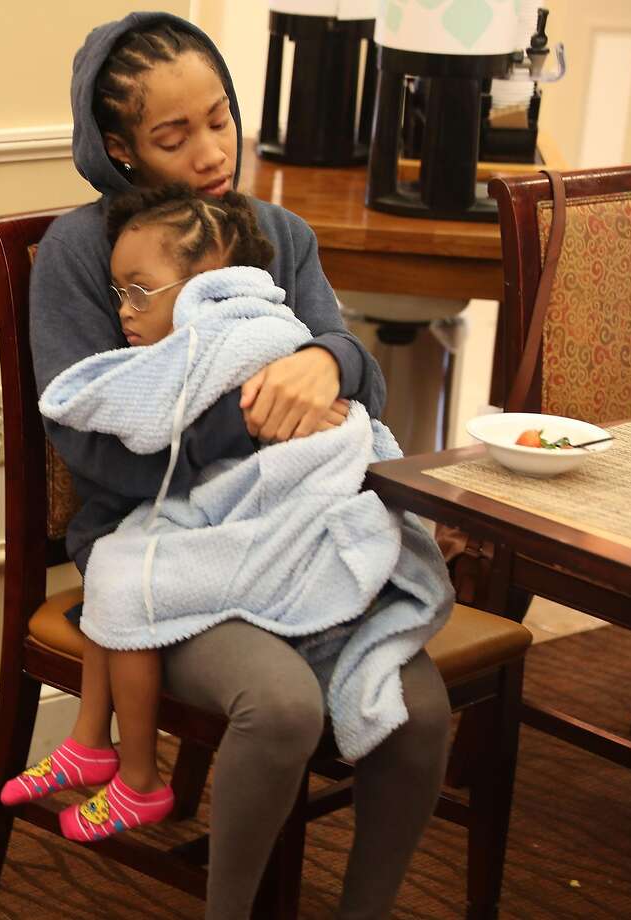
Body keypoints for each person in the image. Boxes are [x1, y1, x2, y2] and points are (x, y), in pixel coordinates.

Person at [25, 14, 452, 920]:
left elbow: (360, 384)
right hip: (160, 547)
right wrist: (258, 419)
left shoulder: (279, 233)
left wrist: (331, 359)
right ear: (120, 149)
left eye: (220, 118)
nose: (213, 151)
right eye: (174, 136)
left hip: (298, 531)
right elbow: (98, 451)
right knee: (284, 708)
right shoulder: (82, 255)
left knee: (418, 713)